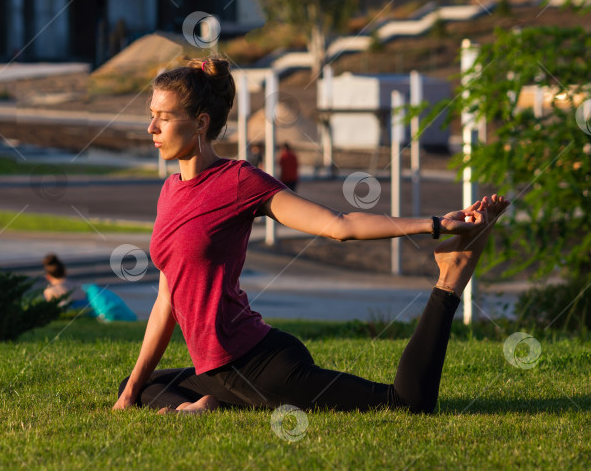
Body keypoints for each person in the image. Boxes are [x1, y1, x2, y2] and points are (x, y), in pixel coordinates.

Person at [113, 57, 509, 415]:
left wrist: (435, 224)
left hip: (260, 364)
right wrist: (129, 393)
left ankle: (450, 275)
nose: (151, 128)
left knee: (405, 403)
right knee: (143, 386)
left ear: (200, 122)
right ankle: (206, 404)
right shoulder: (169, 193)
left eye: (163, 117)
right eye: (152, 116)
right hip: (216, 371)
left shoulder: (239, 181)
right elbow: (168, 298)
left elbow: (340, 226)